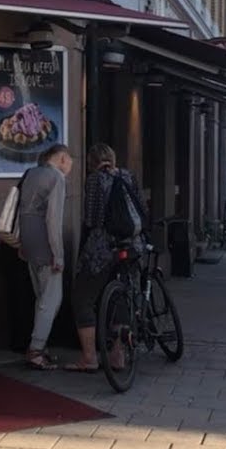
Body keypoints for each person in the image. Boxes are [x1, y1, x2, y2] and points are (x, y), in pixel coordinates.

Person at [66, 143, 147, 372]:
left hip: (103, 249)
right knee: (122, 295)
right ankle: (118, 355)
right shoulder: (128, 175)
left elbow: (92, 219)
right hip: (132, 245)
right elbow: (142, 208)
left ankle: (90, 358)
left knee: (83, 297)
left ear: (91, 162)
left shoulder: (94, 180)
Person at [17, 143, 73, 370]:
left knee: (41, 297)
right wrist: (58, 255)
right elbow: (53, 220)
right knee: (51, 300)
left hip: (29, 244)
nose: (70, 166)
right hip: (46, 246)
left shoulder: (30, 173)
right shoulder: (56, 178)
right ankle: (36, 349)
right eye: (70, 160)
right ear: (61, 158)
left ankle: (39, 346)